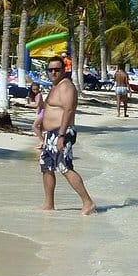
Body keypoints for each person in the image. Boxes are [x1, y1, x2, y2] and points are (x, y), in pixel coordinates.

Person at [37, 58, 97, 214]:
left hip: (62, 132)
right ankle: (49, 203)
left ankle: (88, 202)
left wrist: (61, 136)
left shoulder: (66, 87)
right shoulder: (55, 87)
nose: (53, 72)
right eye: (50, 70)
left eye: (57, 69)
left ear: (64, 70)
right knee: (47, 168)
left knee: (65, 167)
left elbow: (69, 110)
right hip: (50, 134)